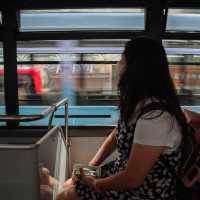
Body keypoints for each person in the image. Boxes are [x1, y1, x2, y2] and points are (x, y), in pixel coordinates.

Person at [56, 36, 188, 200]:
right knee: (75, 175)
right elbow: (115, 136)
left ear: (136, 68)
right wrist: (89, 167)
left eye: (122, 60)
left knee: (66, 195)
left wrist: (96, 184)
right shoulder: (138, 104)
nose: (118, 65)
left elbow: (132, 178)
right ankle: (55, 187)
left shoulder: (156, 118)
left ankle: (55, 190)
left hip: (144, 192)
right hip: (120, 170)